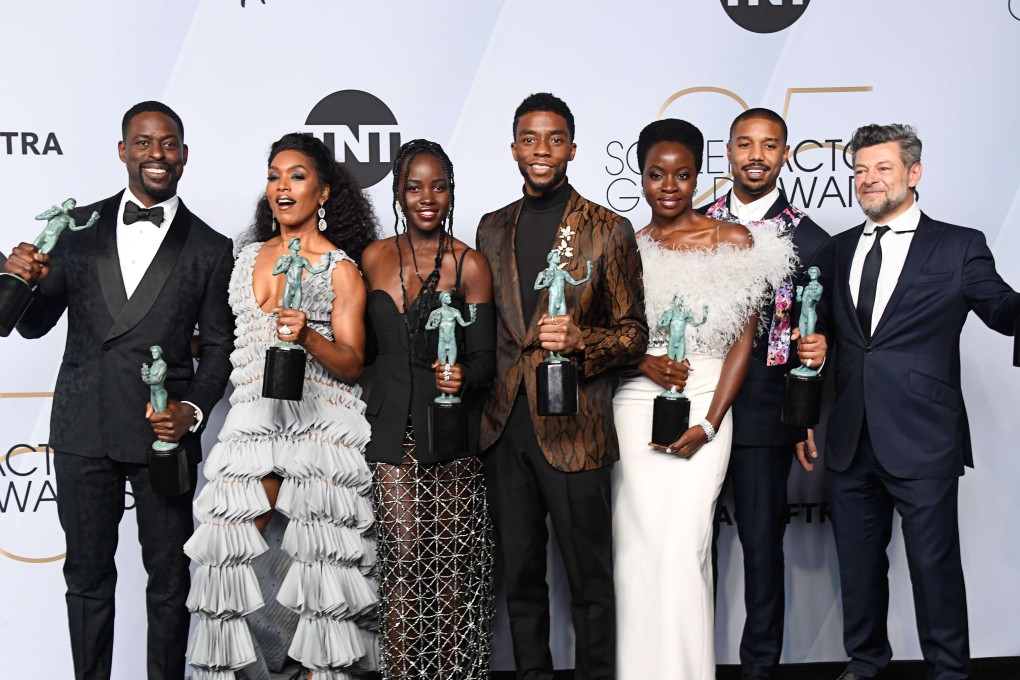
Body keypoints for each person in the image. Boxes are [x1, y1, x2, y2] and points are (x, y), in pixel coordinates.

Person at [4, 101, 234, 680]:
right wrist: (20, 280)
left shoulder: (210, 246)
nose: (157, 154)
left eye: (169, 143)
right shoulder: (77, 228)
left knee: (170, 581)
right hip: (83, 428)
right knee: (86, 579)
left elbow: (219, 348)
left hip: (163, 435)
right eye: (144, 142)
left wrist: (191, 410)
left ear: (184, 155)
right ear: (123, 151)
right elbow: (33, 325)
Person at [812, 124, 1020, 680]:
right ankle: (865, 663)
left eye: (882, 168)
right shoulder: (837, 250)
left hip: (924, 435)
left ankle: (949, 671)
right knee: (858, 567)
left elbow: (1001, 308)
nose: (869, 179)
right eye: (860, 170)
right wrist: (815, 359)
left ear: (913, 172)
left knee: (934, 567)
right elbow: (825, 332)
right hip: (850, 436)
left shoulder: (958, 245)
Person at [184, 133, 379, 680]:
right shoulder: (245, 257)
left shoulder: (340, 269)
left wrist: (308, 336)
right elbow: (231, 340)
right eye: (274, 176)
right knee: (226, 552)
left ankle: (321, 672)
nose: (282, 186)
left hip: (319, 422)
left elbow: (352, 362)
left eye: (297, 176)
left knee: (322, 564)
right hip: (252, 417)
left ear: (323, 192)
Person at [612, 118, 796, 680]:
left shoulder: (733, 240)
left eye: (682, 175)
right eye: (656, 174)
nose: (669, 186)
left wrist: (712, 422)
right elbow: (609, 337)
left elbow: (743, 342)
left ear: (698, 177)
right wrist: (641, 362)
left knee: (684, 547)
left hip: (707, 398)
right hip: (635, 404)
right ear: (641, 177)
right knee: (635, 548)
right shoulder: (625, 246)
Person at [476, 92, 647, 680]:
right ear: (514, 148)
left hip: (577, 429)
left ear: (572, 148)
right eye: (530, 139)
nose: (541, 150)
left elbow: (634, 335)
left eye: (554, 139)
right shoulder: (492, 228)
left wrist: (581, 340)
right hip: (506, 428)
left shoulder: (608, 229)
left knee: (589, 580)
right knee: (521, 578)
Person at [702, 108, 833, 680]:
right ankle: (689, 664)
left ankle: (759, 669)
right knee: (688, 548)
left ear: (784, 155)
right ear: (728, 152)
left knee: (760, 547)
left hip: (763, 412)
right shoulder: (693, 223)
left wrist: (805, 417)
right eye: (745, 144)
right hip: (693, 405)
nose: (756, 155)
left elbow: (819, 337)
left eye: (770, 145)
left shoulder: (811, 238)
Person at [359, 138, 496, 679]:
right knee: (400, 562)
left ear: (451, 192)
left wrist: (464, 376)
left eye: (438, 187)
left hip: (451, 430)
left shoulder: (470, 264)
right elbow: (362, 351)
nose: (427, 198)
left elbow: (485, 360)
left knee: (452, 570)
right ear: (398, 192)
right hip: (389, 430)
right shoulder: (372, 257)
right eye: (414, 187)